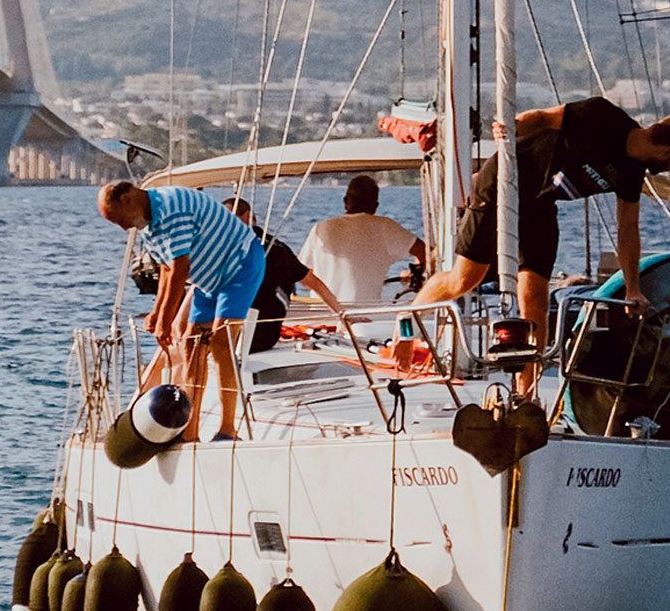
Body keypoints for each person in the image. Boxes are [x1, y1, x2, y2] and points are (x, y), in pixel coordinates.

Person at [408, 100, 670, 396]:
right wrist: (513, 127)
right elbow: (543, 116)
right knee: (464, 279)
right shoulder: (603, 116)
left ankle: (526, 393)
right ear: (667, 152)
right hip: (503, 181)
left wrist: (632, 288)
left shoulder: (632, 171)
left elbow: (628, 229)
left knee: (535, 298)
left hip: (539, 204)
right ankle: (406, 327)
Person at [97, 176, 262, 441]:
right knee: (191, 346)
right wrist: (157, 312)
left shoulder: (171, 208)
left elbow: (180, 268)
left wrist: (166, 321)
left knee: (221, 343)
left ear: (127, 199)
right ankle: (190, 432)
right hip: (207, 279)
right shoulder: (147, 226)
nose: (124, 227)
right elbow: (165, 269)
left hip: (240, 264)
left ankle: (227, 429)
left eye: (119, 220)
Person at [225, 196, 339, 354]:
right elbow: (312, 282)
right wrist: (341, 312)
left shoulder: (270, 250)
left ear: (247, 216)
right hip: (263, 335)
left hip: (248, 335)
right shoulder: (279, 248)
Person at [299, 174, 426, 310]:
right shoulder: (385, 227)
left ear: (345, 201)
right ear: (375, 206)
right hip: (364, 317)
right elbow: (424, 252)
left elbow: (302, 275)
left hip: (321, 316)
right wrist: (412, 272)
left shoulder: (320, 228)